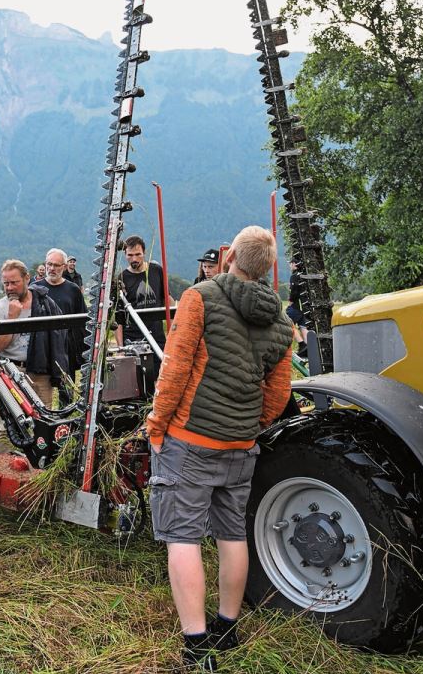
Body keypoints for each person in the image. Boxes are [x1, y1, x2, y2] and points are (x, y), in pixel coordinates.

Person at [144, 226, 293, 671]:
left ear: (229, 256)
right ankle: (228, 627)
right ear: (266, 269)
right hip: (241, 444)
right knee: (232, 533)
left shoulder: (201, 297)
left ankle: (196, 645)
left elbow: (175, 368)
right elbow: (279, 393)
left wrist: (156, 426)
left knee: (183, 537)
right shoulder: (283, 323)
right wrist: (251, 425)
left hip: (189, 440)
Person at [0, 259, 68, 454]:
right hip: (11, 371)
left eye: (14, 282)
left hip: (40, 370)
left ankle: (38, 469)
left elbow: (58, 336)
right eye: (6, 283)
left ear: (27, 279)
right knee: (8, 425)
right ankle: (0, 469)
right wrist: (12, 319)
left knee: (43, 421)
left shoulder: (44, 303)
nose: (10, 288)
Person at [40, 248, 87, 393]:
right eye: (49, 264)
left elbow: (82, 319)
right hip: (42, 346)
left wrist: (82, 349)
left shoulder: (73, 290)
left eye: (56, 265)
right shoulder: (35, 288)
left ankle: (66, 412)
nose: (52, 268)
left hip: (67, 347)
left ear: (64, 267)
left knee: (66, 390)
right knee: (41, 388)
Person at [117, 235, 168, 349]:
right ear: (125, 255)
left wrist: (174, 332)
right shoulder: (121, 278)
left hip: (157, 338)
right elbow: (118, 318)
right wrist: (120, 348)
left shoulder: (156, 270)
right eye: (130, 255)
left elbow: (167, 300)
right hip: (132, 341)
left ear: (144, 253)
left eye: (138, 254)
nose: (134, 259)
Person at [286, 260, 310, 357]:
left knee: (288, 323)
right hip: (304, 307)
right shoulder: (304, 276)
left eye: (290, 264)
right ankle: (308, 348)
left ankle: (301, 344)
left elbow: (294, 291)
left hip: (295, 306)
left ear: (295, 264)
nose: (290, 266)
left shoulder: (294, 276)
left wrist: (290, 302)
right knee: (303, 327)